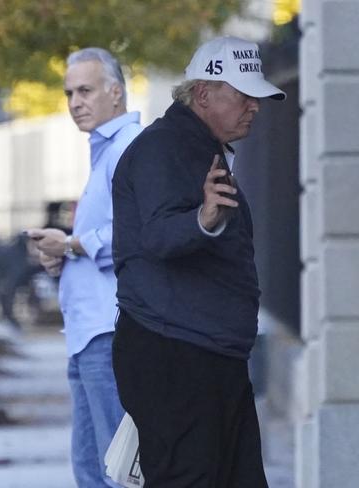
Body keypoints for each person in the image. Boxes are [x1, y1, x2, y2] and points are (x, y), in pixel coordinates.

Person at [111, 36, 285, 487]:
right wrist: (203, 220)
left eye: (257, 97)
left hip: (206, 355)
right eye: (244, 95)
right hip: (177, 355)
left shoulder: (196, 149)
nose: (255, 107)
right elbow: (158, 236)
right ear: (203, 94)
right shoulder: (163, 148)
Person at [27, 47, 142, 487]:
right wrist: (61, 256)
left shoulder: (128, 149)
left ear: (116, 92)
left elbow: (138, 236)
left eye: (86, 90)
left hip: (109, 330)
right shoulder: (104, 152)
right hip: (87, 332)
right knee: (92, 468)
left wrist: (72, 244)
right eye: (69, 93)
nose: (76, 102)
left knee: (115, 470)